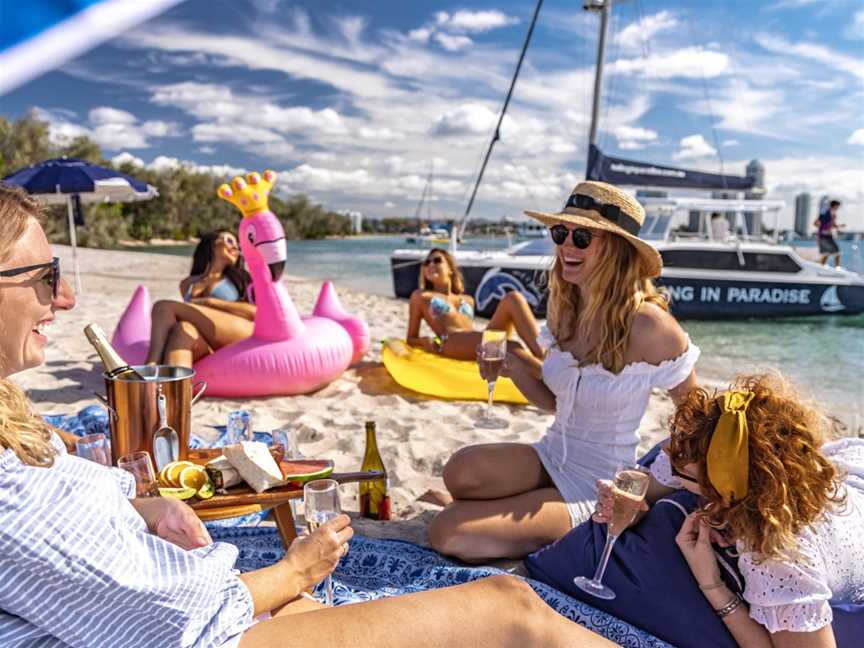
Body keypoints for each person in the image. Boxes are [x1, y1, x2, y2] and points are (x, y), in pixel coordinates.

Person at [0, 183, 612, 648]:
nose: (67, 297)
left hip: (192, 598)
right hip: (203, 622)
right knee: (512, 606)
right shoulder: (10, 491)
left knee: (343, 611)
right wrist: (295, 569)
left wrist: (143, 504)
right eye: (45, 276)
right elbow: (169, 612)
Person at [429, 181, 699, 563]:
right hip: (551, 454)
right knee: (460, 471)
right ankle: (531, 513)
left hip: (600, 482)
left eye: (582, 237)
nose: (566, 245)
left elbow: (698, 423)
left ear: (617, 249)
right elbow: (556, 403)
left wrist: (647, 491)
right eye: (561, 233)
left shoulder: (650, 326)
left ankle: (554, 522)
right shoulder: (564, 309)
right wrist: (514, 366)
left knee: (447, 530)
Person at [595, 373, 864, 647]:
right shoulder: (733, 454)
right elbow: (645, 493)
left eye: (680, 469)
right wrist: (630, 509)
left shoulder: (778, 560)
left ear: (723, 493)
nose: (666, 451)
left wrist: (712, 584)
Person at [406, 247, 544, 361]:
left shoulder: (467, 300)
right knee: (512, 346)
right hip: (450, 342)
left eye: (437, 261)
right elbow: (411, 337)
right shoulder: (421, 296)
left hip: (472, 343)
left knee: (513, 298)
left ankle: (543, 355)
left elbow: (470, 333)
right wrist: (424, 342)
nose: (430, 264)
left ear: (450, 269)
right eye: (427, 263)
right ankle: (542, 371)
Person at [146, 230, 255, 367]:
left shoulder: (242, 279)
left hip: (239, 332)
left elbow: (255, 312)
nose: (235, 247)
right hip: (206, 343)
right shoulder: (187, 284)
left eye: (237, 245)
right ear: (212, 245)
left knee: (163, 306)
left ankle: (151, 365)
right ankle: (175, 385)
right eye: (229, 241)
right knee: (182, 331)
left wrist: (209, 302)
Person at [814, 200, 843, 267]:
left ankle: (821, 267)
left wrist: (839, 226)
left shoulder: (833, 215)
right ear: (835, 205)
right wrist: (823, 229)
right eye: (838, 206)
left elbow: (832, 225)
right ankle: (837, 269)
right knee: (837, 252)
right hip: (824, 236)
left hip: (826, 236)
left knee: (827, 253)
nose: (838, 208)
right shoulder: (825, 213)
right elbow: (815, 223)